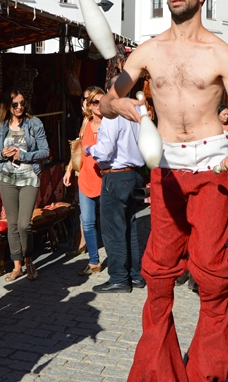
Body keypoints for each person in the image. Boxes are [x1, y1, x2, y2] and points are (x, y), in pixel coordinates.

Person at [100, 0, 228, 381]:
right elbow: (107, 100)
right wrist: (122, 104)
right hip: (165, 168)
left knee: (212, 271)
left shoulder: (221, 53)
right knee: (158, 271)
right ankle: (157, 370)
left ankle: (207, 370)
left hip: (211, 164)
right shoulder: (148, 51)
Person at [88, 77, 145, 293]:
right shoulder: (136, 112)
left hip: (116, 175)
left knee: (114, 229)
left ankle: (120, 278)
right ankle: (134, 275)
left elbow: (104, 151)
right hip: (134, 175)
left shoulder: (113, 115)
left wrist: (91, 150)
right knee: (129, 226)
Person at [0, 89, 50, 281]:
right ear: (7, 106)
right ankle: (17, 265)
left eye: (23, 103)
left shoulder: (34, 123)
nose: (19, 107)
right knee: (13, 224)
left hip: (29, 178)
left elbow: (45, 151)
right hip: (7, 179)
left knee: (25, 224)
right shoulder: (1, 126)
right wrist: (3, 154)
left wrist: (23, 155)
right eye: (15, 104)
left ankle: (29, 259)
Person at [63, 86, 105, 275]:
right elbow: (79, 147)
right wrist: (69, 168)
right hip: (86, 177)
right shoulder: (86, 122)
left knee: (107, 222)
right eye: (94, 102)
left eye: (100, 101)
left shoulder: (110, 122)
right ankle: (94, 261)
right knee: (87, 222)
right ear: (89, 106)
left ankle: (119, 260)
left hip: (105, 178)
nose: (98, 105)